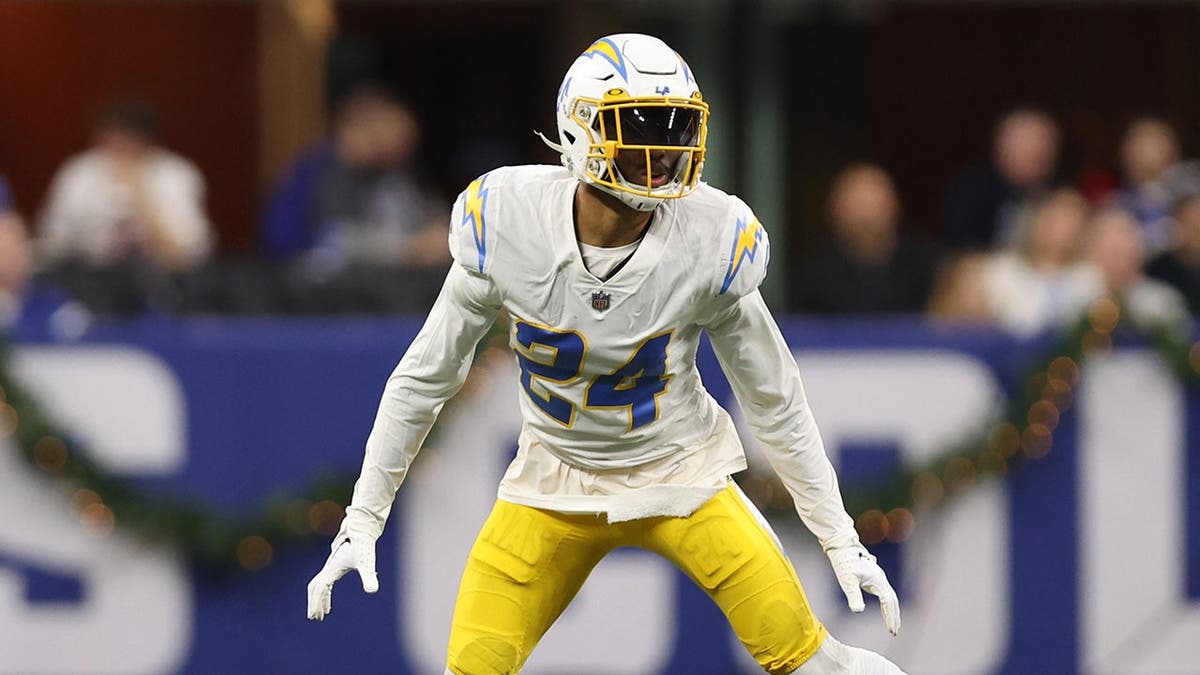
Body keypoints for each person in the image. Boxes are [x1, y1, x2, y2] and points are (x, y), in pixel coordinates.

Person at [306, 34, 906, 675]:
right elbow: (424, 378)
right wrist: (361, 518)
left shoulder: (709, 239)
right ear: (580, 129)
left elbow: (775, 398)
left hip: (680, 475)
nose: (665, 149)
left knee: (814, 663)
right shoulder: (508, 226)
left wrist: (840, 537)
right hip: (551, 483)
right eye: (641, 124)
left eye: (677, 126)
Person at [260, 84, 449, 270]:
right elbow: (335, 238)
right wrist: (410, 248)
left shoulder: (392, 172)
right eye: (394, 138)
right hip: (313, 289)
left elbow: (426, 212)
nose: (402, 150)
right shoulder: (324, 173)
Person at [38, 98, 213, 271]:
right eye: (108, 138)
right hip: (90, 276)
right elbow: (52, 241)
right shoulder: (80, 172)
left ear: (145, 139)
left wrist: (141, 197)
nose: (116, 148)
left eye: (125, 140)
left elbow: (188, 254)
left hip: (160, 279)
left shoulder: (176, 174)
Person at [790, 163, 938, 314]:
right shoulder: (814, 278)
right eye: (858, 207)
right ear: (834, 210)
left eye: (875, 206)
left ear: (895, 207)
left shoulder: (927, 268)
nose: (867, 218)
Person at [981, 189, 1102, 336]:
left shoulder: (1090, 278)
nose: (1059, 230)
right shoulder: (999, 268)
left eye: (1069, 222)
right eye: (1053, 219)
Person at [943, 107, 1062, 249]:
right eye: (1030, 153)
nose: (1042, 160)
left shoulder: (1060, 195)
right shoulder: (972, 191)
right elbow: (962, 248)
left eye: (1046, 152)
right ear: (1002, 150)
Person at [1086, 207, 1189, 332]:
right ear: (1094, 254)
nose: (1117, 263)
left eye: (1122, 253)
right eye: (1111, 253)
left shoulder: (1163, 301)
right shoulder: (1073, 297)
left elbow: (1180, 344)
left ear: (1138, 255)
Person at [1115, 116, 1182, 252]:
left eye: (1154, 142)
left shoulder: (1189, 199)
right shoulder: (1115, 204)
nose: (1146, 150)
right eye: (1139, 142)